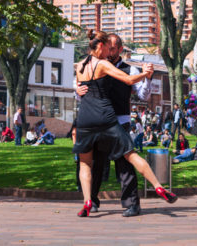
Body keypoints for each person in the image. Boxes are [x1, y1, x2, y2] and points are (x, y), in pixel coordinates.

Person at [74, 30, 176, 217]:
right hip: (104, 119)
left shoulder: (82, 65)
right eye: (108, 48)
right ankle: (94, 201)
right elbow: (81, 90)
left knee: (118, 165)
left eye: (114, 49)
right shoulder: (102, 64)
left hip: (108, 120)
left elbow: (144, 95)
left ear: (120, 49)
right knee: (104, 161)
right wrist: (77, 91)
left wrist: (147, 77)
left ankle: (126, 204)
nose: (110, 52)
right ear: (102, 46)